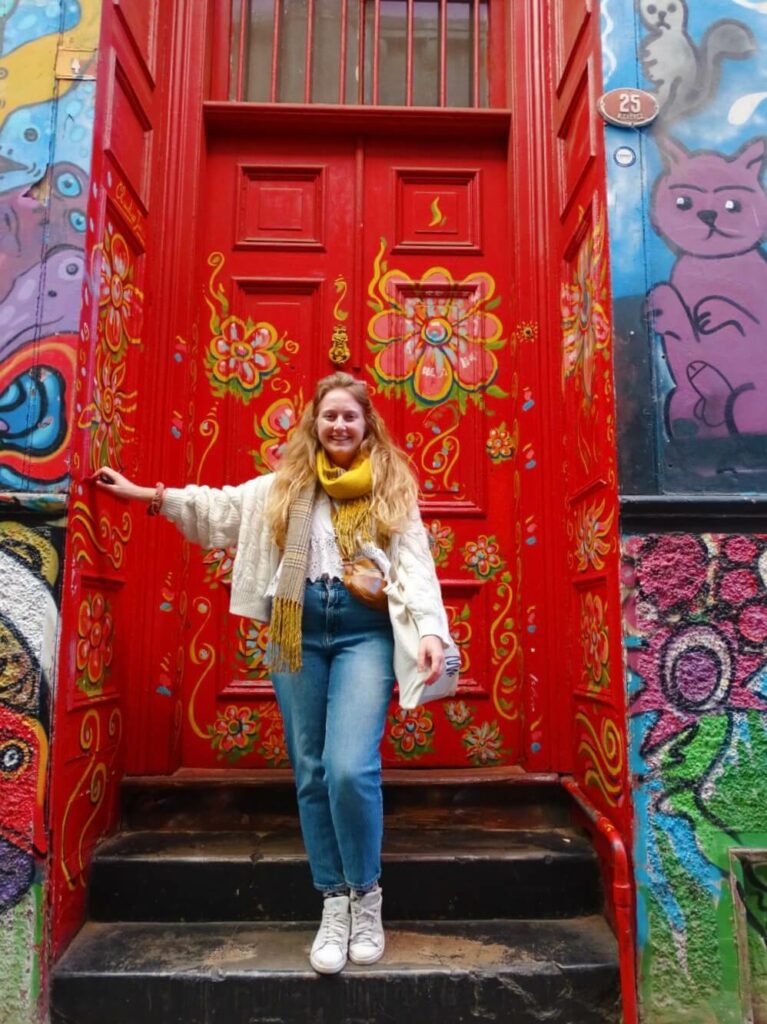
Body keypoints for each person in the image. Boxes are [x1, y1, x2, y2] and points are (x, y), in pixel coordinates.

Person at [93, 371, 452, 975]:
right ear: (315, 422)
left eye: (350, 416)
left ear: (367, 426)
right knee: (310, 770)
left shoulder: (390, 487)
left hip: (364, 634)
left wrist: (433, 631)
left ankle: (366, 898)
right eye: (329, 415)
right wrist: (143, 494)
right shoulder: (281, 487)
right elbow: (216, 509)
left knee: (349, 767)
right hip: (296, 633)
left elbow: (415, 561)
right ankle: (333, 901)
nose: (339, 425)